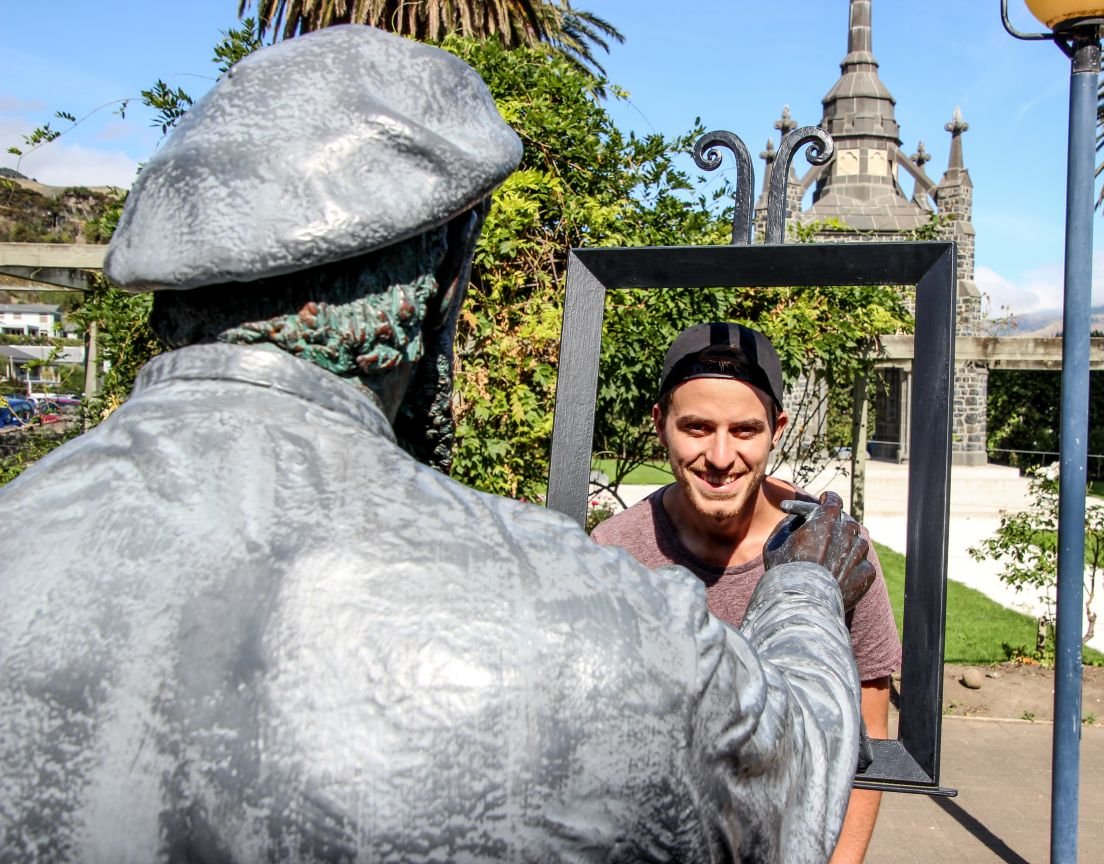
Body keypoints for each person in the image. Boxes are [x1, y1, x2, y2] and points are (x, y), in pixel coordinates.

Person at [0, 25, 875, 862]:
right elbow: (790, 787)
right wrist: (803, 590)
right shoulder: (588, 615)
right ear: (446, 282)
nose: (719, 453)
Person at [592, 322, 903, 863]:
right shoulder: (615, 552)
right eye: (696, 427)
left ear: (776, 429)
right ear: (660, 425)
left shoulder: (835, 548)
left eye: (744, 430)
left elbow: (866, 739)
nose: (720, 457)